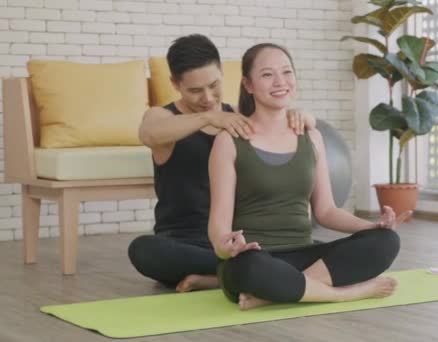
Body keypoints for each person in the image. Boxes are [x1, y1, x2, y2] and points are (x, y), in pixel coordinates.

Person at [208, 43, 411, 311]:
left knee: (386, 242)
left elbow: (326, 211)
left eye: (287, 72)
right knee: (247, 269)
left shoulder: (311, 137)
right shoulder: (229, 141)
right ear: (248, 84)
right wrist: (228, 248)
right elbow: (218, 226)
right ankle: (348, 294)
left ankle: (276, 293)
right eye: (268, 75)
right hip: (255, 258)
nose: (280, 82)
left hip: (304, 254)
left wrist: (373, 227)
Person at [128, 34, 314, 292]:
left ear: (223, 73)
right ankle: (252, 270)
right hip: (186, 241)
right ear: (175, 83)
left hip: (237, 240)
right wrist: (209, 118)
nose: (207, 97)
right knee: (143, 250)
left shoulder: (237, 116)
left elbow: (287, 123)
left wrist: (301, 114)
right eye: (195, 90)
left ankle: (226, 276)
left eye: (214, 85)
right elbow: (148, 134)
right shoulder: (163, 116)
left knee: (297, 247)